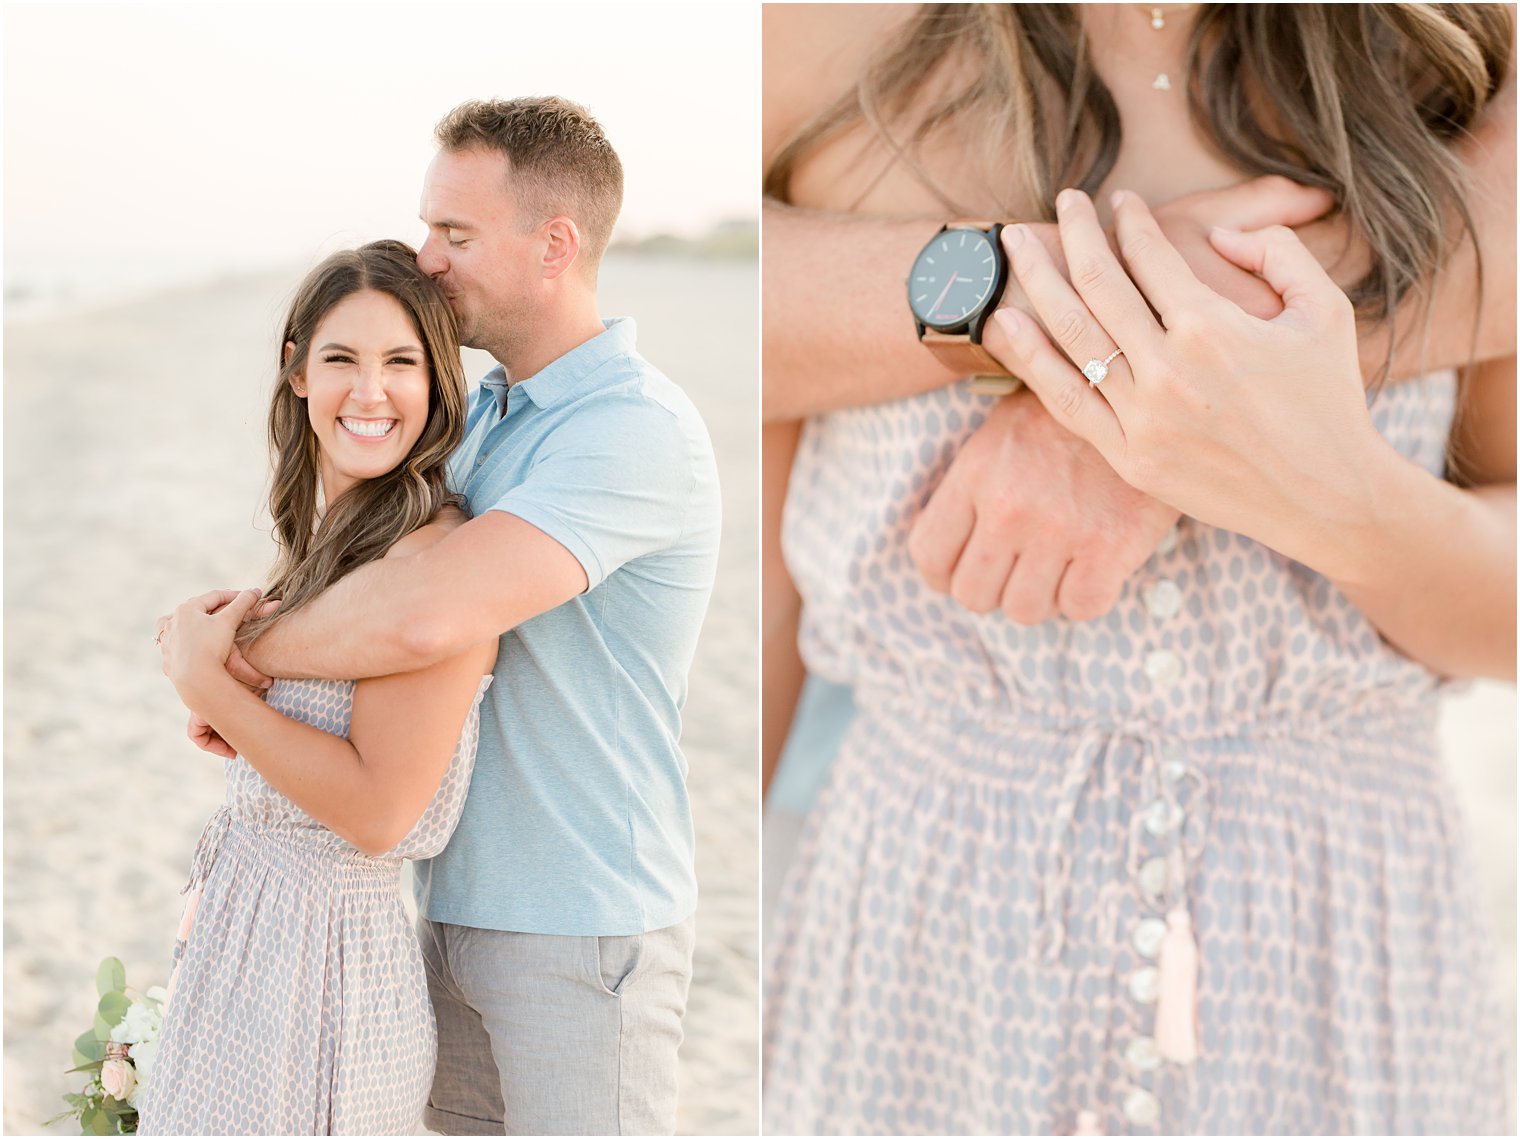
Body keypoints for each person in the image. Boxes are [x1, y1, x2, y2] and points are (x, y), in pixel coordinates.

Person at [762, 4, 1515, 1134]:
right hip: (925, 942)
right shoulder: (826, 41)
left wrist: (1281, 466)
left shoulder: (1440, 67)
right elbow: (764, 575)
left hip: (1341, 944)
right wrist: (1050, 313)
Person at [162, 97, 721, 1136]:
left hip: (580, 926)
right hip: (447, 909)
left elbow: (424, 616)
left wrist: (222, 662)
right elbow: (369, 602)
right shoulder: (487, 425)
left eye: (454, 235)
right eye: (427, 228)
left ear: (555, 245)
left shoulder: (631, 432)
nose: (428, 257)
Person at [140, 240, 499, 1134]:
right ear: (297, 370)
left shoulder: (434, 560)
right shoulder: (322, 546)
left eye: (401, 363)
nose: (370, 391)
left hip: (329, 976)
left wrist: (211, 684)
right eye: (341, 358)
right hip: (242, 950)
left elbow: (378, 811)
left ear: (436, 384)